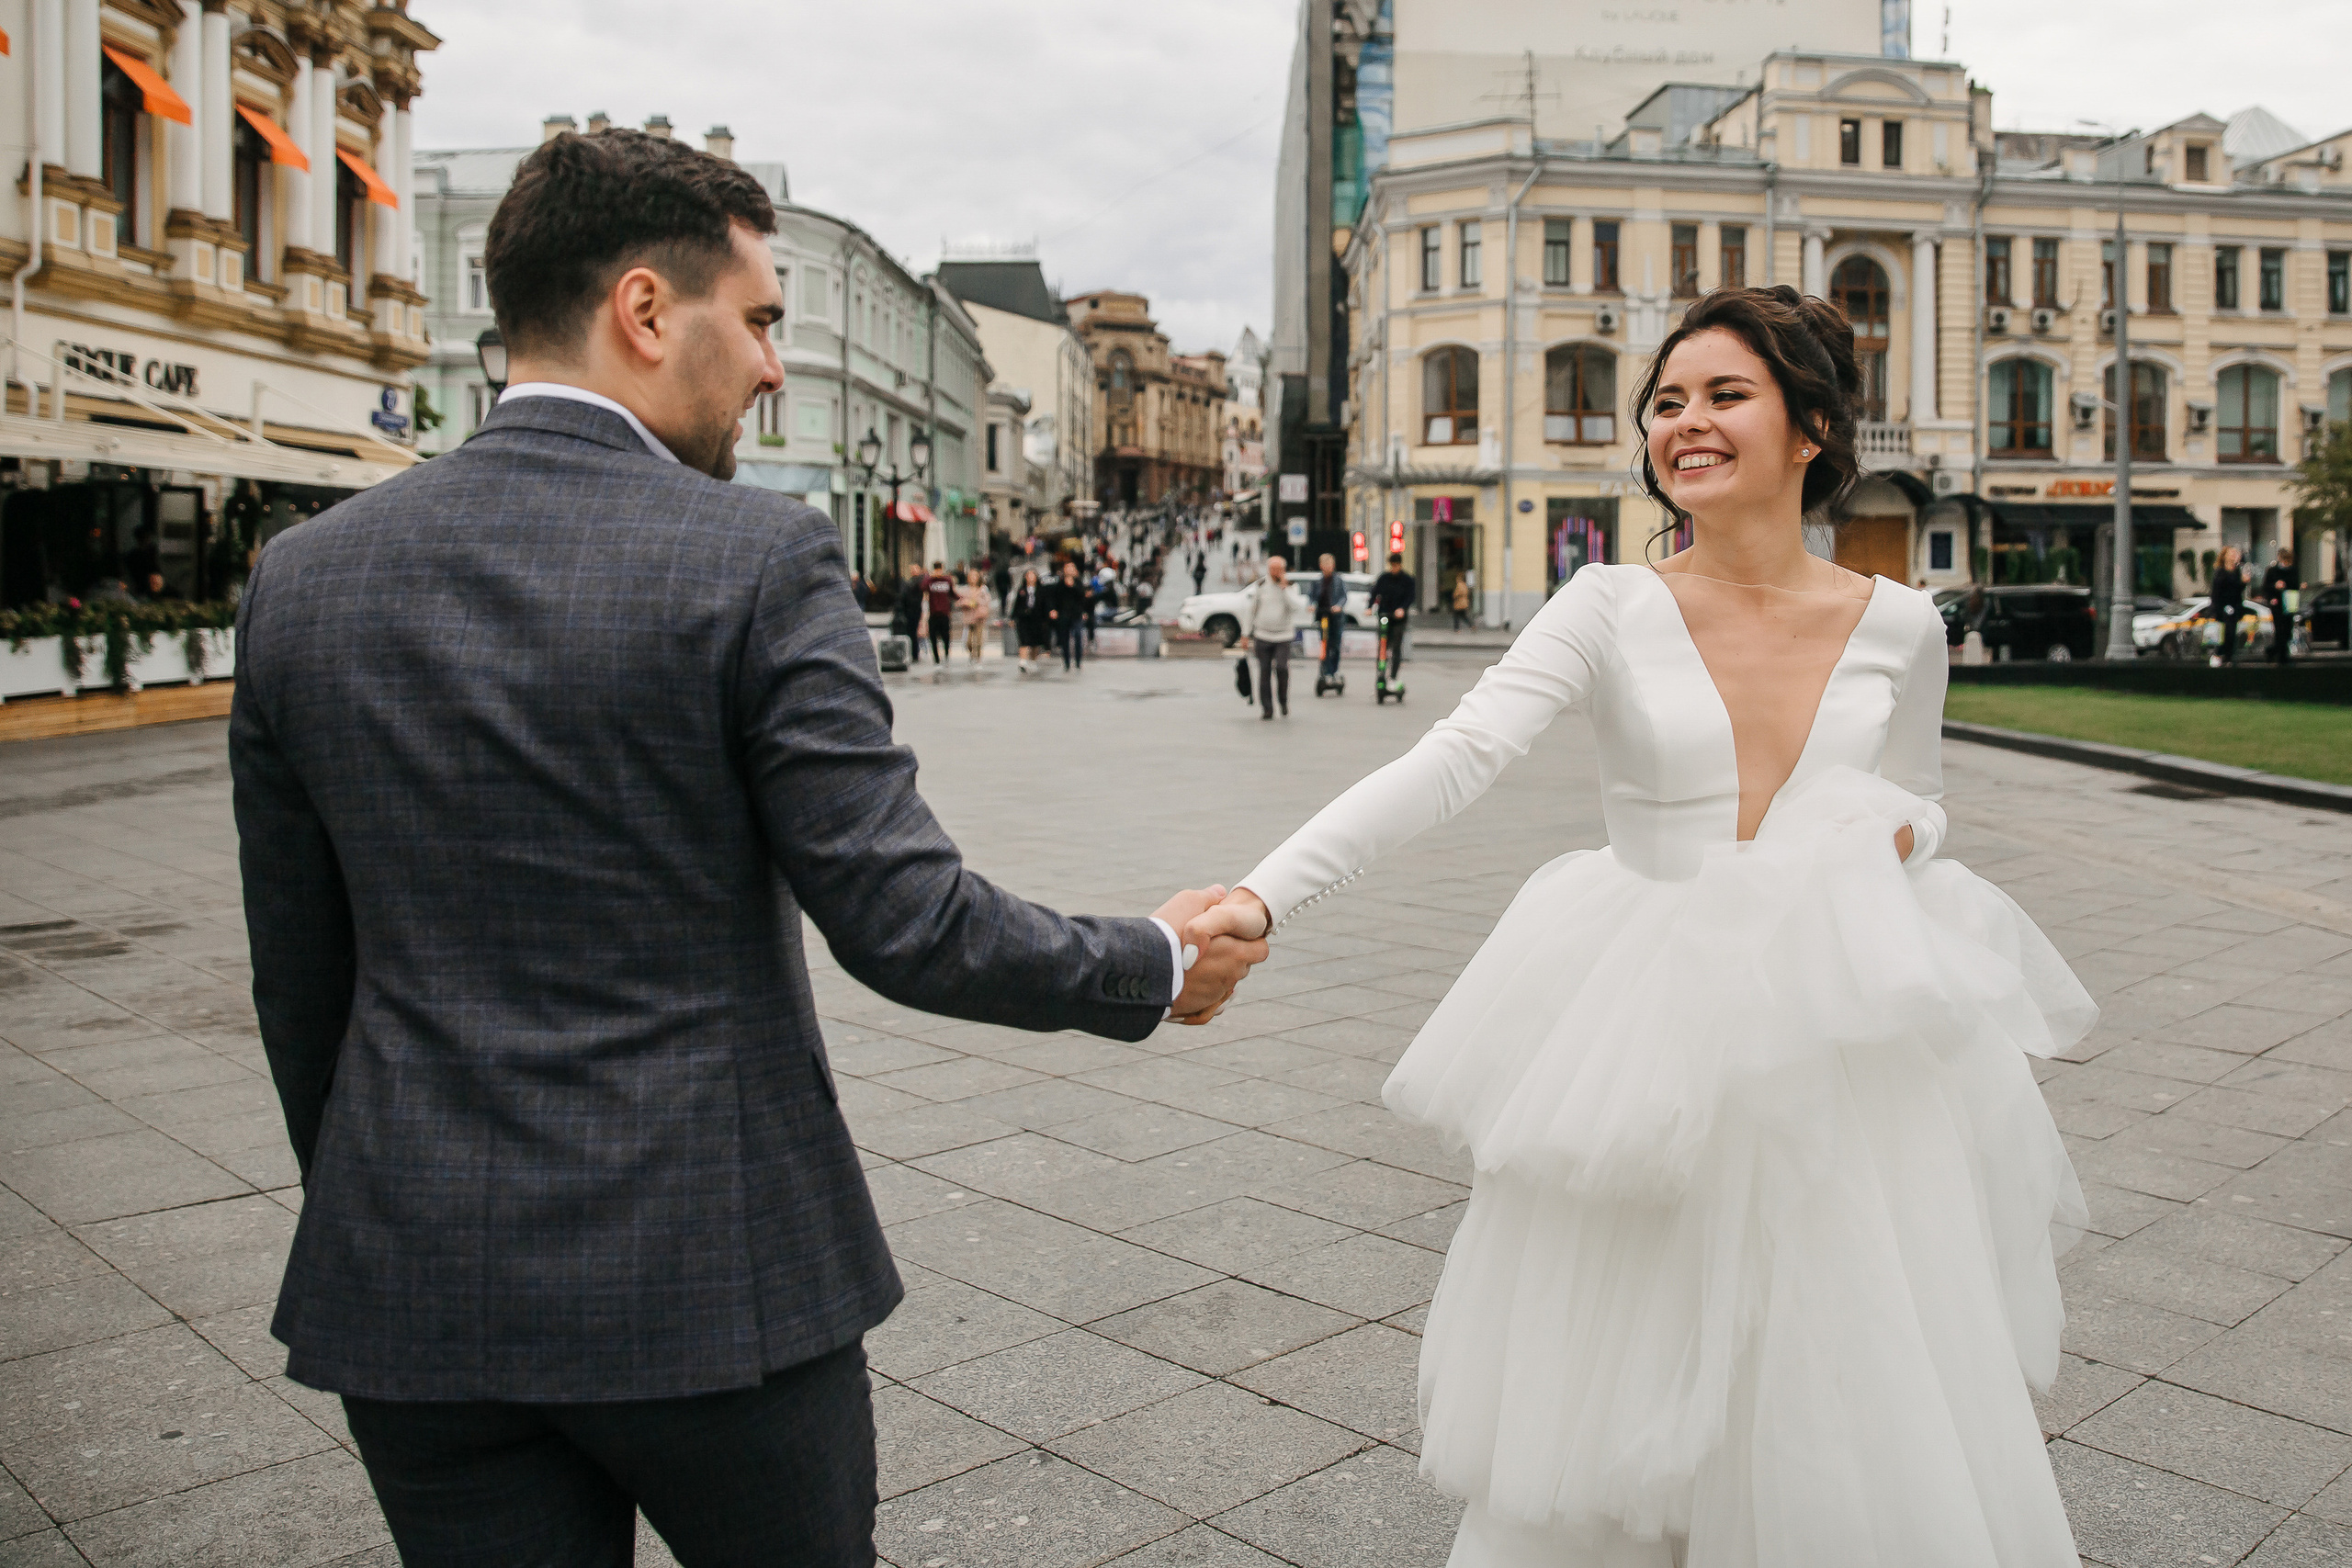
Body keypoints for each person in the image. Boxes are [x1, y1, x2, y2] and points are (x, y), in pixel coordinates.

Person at [226, 128, 1266, 1568]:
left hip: (413, 1285)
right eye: (763, 318)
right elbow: (906, 918)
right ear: (647, 312)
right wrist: (1147, 958)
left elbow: (302, 983)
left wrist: (385, 1199)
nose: (776, 363)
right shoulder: (755, 559)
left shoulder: (303, 580)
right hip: (711, 1276)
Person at [1189, 286, 2091, 1566]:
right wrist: (1262, 890)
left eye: (1726, 394)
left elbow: (1925, 794)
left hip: (1834, 1032)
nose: (1685, 423)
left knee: (1840, 1370)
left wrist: (1893, 837)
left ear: (1814, 427)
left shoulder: (1901, 621)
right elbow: (1455, 759)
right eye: (1667, 402)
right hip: (1643, 1029)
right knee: (1624, 1392)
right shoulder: (1608, 604)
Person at [1240, 554, 1301, 719]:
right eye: (1272, 569)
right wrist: (1245, 634)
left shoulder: (1291, 586)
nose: (1275, 572)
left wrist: (1284, 589)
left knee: (1282, 668)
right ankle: (1267, 708)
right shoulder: (1260, 585)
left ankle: (1283, 700)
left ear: (1283, 570)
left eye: (1278, 569)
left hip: (1283, 636)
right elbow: (1250, 611)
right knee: (1264, 672)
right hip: (1263, 635)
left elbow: (1296, 607)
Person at [1371, 551, 1416, 683]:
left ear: (1400, 565)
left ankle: (1393, 677)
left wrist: (1402, 608)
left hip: (1399, 619)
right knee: (1383, 645)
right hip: (1384, 615)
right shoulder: (1384, 578)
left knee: (1396, 646)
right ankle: (1381, 675)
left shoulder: (1407, 579)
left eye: (1396, 565)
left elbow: (1410, 597)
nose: (1394, 568)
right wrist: (1370, 606)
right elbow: (1375, 593)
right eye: (1392, 565)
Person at [2256, 545, 2300, 666]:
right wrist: (2274, 591)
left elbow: (2295, 585)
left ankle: (2272, 651)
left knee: (2287, 630)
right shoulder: (2272, 571)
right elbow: (2265, 587)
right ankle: (2282, 656)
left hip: (2289, 603)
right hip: (2277, 604)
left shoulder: (2293, 570)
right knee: (2280, 629)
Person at [1311, 553, 1349, 688]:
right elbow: (1312, 597)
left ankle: (1334, 671)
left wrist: (1338, 606)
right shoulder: (1317, 582)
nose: (1327, 568)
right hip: (1323, 616)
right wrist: (1311, 605)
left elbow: (1344, 597)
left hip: (1336, 617)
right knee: (1324, 645)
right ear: (1321, 566)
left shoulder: (1339, 580)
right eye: (1325, 565)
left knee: (1335, 645)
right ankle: (1325, 671)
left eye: (1330, 565)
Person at [1049, 558, 1089, 671]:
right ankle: (1066, 661)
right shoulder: (1060, 584)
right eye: (1068, 568)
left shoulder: (1078, 583)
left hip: (1076, 613)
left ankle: (1078, 661)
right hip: (1063, 613)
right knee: (1064, 638)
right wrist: (1053, 610)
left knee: (1077, 635)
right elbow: (1055, 598)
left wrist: (1084, 611)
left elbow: (1082, 597)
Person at [2210, 546, 2245, 667]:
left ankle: (2228, 657)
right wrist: (2214, 609)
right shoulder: (2220, 572)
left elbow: (2237, 590)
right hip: (2222, 607)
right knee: (2223, 633)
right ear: (2225, 556)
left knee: (2231, 633)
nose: (2234, 556)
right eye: (2231, 553)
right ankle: (2219, 654)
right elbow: (2216, 592)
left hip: (2234, 605)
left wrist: (2243, 583)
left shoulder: (2237, 571)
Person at [1010, 567, 1050, 674]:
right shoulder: (1022, 590)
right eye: (1028, 575)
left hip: (1037, 618)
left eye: (1032, 575)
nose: (1030, 578)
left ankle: (1033, 660)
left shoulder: (1041, 590)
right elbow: (1016, 605)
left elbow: (1046, 605)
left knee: (1035, 641)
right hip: (1023, 618)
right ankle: (1023, 661)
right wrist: (1013, 618)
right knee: (1024, 639)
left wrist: (1047, 617)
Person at [922, 560, 956, 666]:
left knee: (945, 636)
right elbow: (922, 587)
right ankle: (936, 657)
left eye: (940, 569)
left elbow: (952, 593)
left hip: (944, 613)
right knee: (932, 636)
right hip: (933, 613)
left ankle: (946, 654)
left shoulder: (947, 580)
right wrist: (930, 577)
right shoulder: (930, 581)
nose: (939, 572)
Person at [959, 567, 990, 665]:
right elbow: (960, 601)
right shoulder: (965, 589)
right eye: (971, 576)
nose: (973, 578)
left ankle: (977, 657)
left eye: (975, 576)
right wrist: (966, 603)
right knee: (968, 641)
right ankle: (971, 653)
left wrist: (977, 602)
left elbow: (987, 601)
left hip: (979, 617)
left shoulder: (983, 589)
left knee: (979, 638)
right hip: (969, 616)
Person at [893, 571, 925, 663]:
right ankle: (915, 654)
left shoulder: (908, 590)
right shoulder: (918, 592)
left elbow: (903, 599)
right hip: (915, 613)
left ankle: (912, 654)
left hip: (910, 614)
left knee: (910, 634)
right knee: (913, 635)